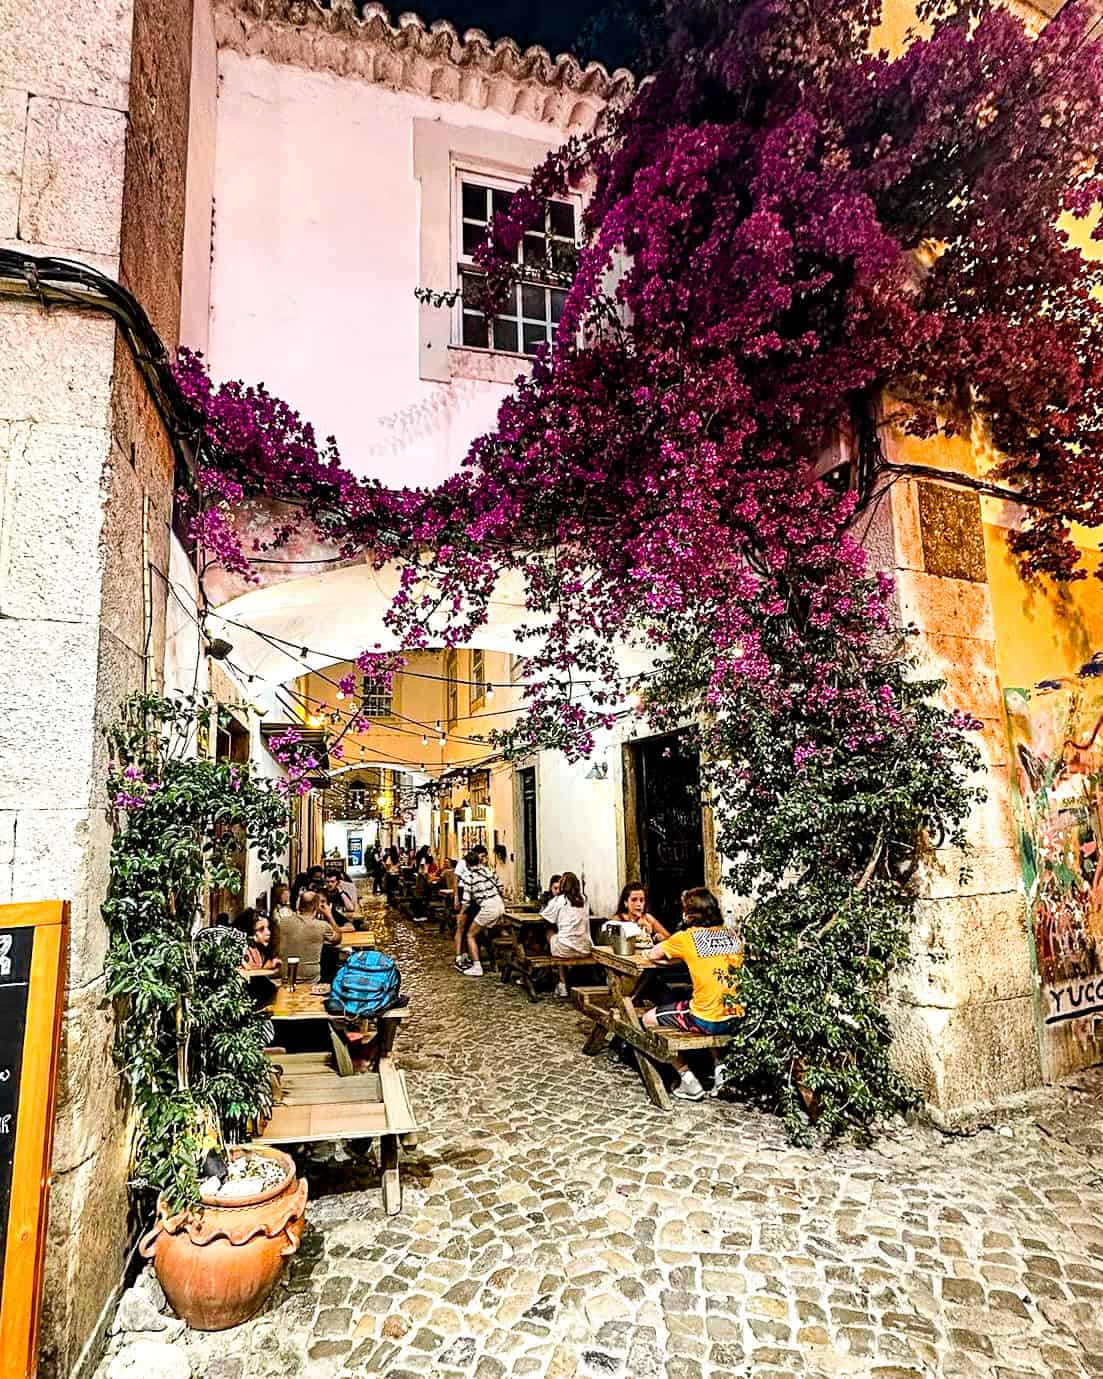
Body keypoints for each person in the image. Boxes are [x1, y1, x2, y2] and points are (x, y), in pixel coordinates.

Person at [642, 887, 743, 1101]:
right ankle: (720, 1073)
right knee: (710, 1003)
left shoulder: (687, 937)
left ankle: (687, 1079)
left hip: (705, 1019)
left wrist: (668, 957)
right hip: (735, 1016)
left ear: (689, 914)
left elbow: (653, 954)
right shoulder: (731, 934)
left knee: (647, 1018)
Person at [278, 890, 343, 987]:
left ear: (299, 904)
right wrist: (329, 915)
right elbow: (338, 938)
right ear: (316, 906)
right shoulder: (321, 926)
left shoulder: (283, 922)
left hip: (285, 977)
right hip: (311, 980)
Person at [541, 871, 591, 997]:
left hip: (564, 948)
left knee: (550, 932)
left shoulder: (559, 900)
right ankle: (564, 982)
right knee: (562, 938)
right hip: (585, 948)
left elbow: (546, 917)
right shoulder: (584, 899)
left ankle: (562, 983)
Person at [456, 850, 505, 976]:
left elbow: (466, 902)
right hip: (499, 904)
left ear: (467, 865)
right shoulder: (489, 871)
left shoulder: (469, 878)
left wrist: (461, 914)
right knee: (488, 932)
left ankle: (477, 966)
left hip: (488, 907)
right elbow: (500, 887)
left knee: (470, 935)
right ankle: (494, 960)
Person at [234, 908, 280, 974]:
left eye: (268, 928)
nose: (268, 933)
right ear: (250, 932)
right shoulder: (241, 951)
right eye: (261, 929)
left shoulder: (259, 950)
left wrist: (267, 965)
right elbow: (247, 972)